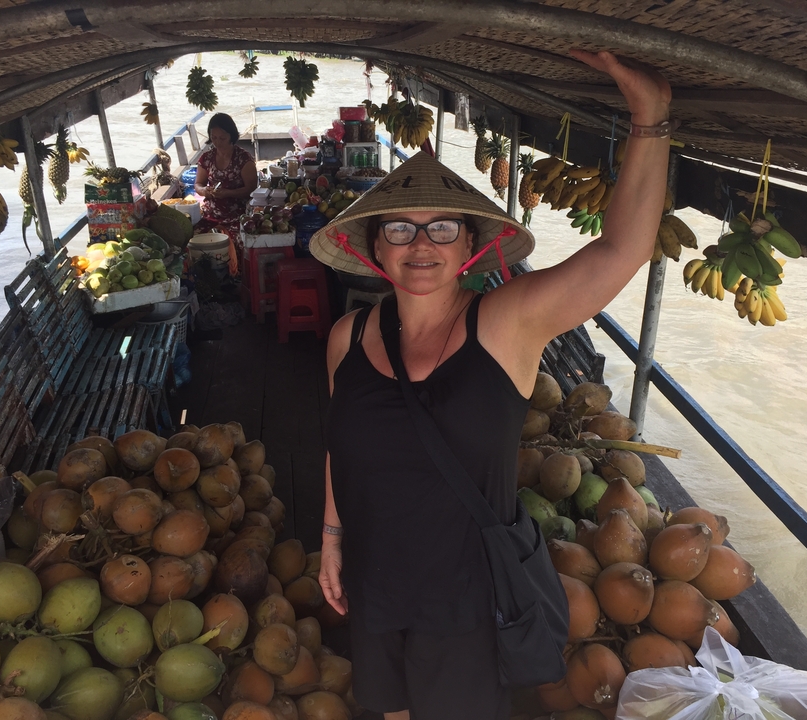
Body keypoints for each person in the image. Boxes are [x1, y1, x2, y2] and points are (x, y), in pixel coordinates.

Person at [308, 50, 671, 719]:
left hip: (469, 602)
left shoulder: (508, 322)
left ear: (472, 243)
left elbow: (619, 251)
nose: (422, 245)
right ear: (374, 248)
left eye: (442, 228)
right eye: (400, 229)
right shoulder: (346, 338)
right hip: (376, 579)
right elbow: (341, 447)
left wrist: (650, 120)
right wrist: (331, 539)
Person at [193, 112, 258, 275]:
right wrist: (205, 191)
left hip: (237, 212)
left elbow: (251, 188)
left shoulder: (243, 159)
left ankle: (238, 275)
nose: (217, 142)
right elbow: (198, 184)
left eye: (222, 138)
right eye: (214, 137)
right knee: (193, 237)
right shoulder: (207, 158)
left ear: (231, 136)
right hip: (211, 211)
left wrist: (229, 193)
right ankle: (204, 276)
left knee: (239, 240)